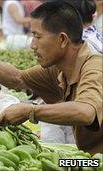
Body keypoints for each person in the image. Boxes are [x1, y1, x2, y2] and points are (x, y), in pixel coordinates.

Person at [0, 1, 102, 154]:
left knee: (63, 164)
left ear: (62, 39)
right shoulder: (59, 67)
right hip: (88, 157)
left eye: (37, 36)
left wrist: (30, 111)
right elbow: (17, 79)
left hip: (95, 162)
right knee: (57, 164)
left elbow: (85, 112)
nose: (32, 45)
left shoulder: (94, 68)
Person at [41, 0, 103, 144]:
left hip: (90, 134)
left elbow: (85, 112)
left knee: (74, 163)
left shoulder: (80, 48)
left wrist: (31, 112)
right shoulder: (95, 35)